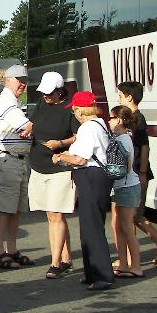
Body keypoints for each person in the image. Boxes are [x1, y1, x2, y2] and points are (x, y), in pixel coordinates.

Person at [52, 91, 114, 291]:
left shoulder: (88, 128)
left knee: (92, 228)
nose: (74, 113)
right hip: (97, 178)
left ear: (80, 110)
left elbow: (80, 158)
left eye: (74, 109)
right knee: (89, 227)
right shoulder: (100, 124)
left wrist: (61, 157)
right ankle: (92, 273)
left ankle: (102, 275)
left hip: (91, 177)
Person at [117, 81, 157, 265]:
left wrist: (142, 172)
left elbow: (144, 147)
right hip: (134, 172)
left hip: (137, 172)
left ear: (129, 97)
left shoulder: (137, 119)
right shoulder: (132, 118)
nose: (118, 98)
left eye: (120, 95)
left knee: (133, 215)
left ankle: (156, 246)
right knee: (135, 215)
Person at [28, 71, 78, 279]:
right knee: (52, 214)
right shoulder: (41, 104)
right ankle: (66, 256)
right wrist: (27, 129)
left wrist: (61, 144)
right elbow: (33, 122)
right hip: (38, 164)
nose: (46, 96)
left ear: (60, 91)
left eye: (50, 93)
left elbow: (77, 136)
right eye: (44, 93)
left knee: (56, 214)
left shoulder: (69, 110)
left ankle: (55, 262)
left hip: (59, 166)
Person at [0, 65, 34, 269]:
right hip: (7, 160)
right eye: (18, 79)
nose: (22, 84)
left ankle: (12, 249)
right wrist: (37, 123)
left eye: (24, 80)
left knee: (15, 209)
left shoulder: (13, 101)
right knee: (4, 210)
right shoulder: (6, 100)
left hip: (17, 160)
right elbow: (24, 126)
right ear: (7, 80)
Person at [108, 106, 144, 278]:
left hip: (127, 186)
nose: (109, 121)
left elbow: (124, 167)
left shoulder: (122, 139)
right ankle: (123, 263)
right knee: (119, 227)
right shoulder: (122, 138)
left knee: (127, 228)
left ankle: (136, 266)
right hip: (122, 186)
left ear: (120, 120)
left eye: (112, 118)